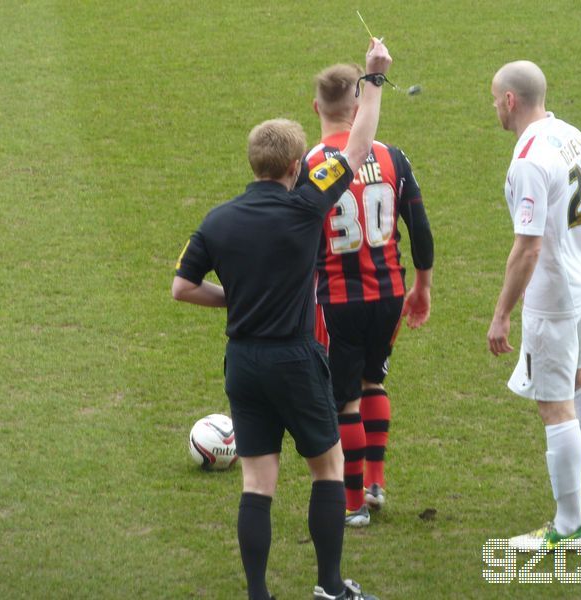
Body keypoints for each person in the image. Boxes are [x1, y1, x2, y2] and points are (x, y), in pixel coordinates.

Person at [172, 39, 391, 600]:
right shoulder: (306, 203)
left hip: (242, 363)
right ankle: (330, 586)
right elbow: (362, 141)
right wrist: (373, 77)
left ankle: (258, 595)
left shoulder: (217, 220)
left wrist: (234, 302)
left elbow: (182, 288)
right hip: (294, 358)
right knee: (327, 468)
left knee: (256, 483)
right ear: (297, 166)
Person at [486, 60, 581, 551]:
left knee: (553, 404)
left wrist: (502, 313)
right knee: (579, 374)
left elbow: (528, 248)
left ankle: (568, 526)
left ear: (509, 101)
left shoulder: (527, 160)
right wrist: (575, 253)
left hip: (555, 298)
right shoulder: (570, 133)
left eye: (494, 100)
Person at [299, 63, 434, 527]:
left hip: (337, 298)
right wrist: (423, 285)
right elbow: (419, 227)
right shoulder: (394, 157)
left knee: (343, 402)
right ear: (359, 107)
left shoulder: (309, 164)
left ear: (317, 107)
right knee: (373, 381)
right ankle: (375, 483)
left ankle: (353, 503)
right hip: (390, 293)